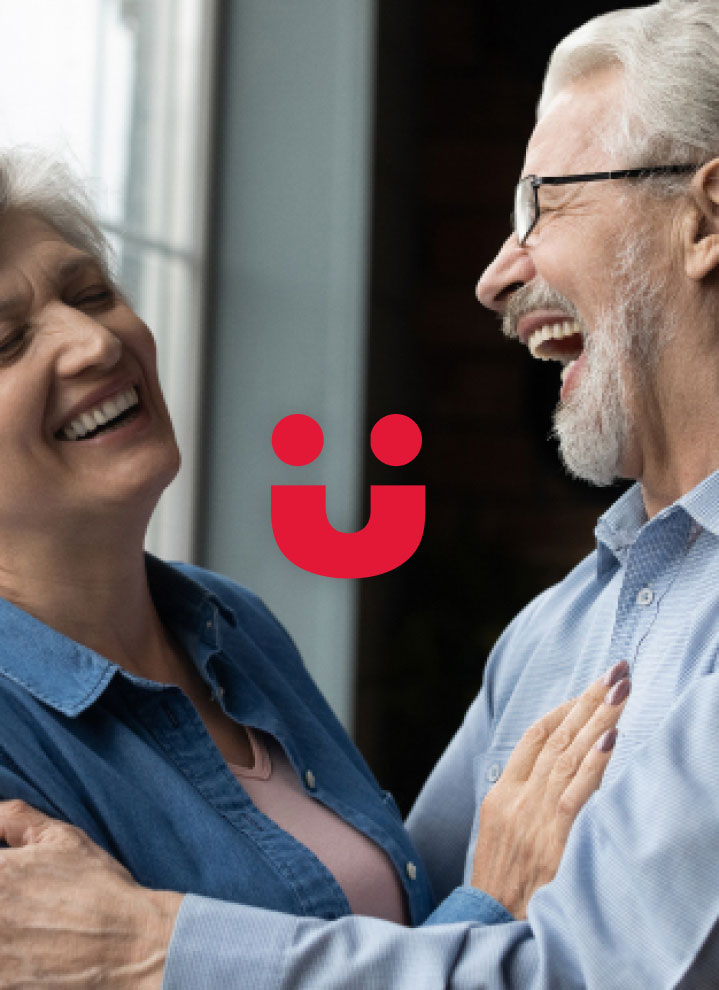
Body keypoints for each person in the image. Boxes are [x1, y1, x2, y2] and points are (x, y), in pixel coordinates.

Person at [3, 0, 719, 985]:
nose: (92, 342)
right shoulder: (548, 640)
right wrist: (485, 906)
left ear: (703, 219)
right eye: (6, 342)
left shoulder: (231, 629)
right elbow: (456, 932)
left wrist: (152, 950)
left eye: (542, 204)